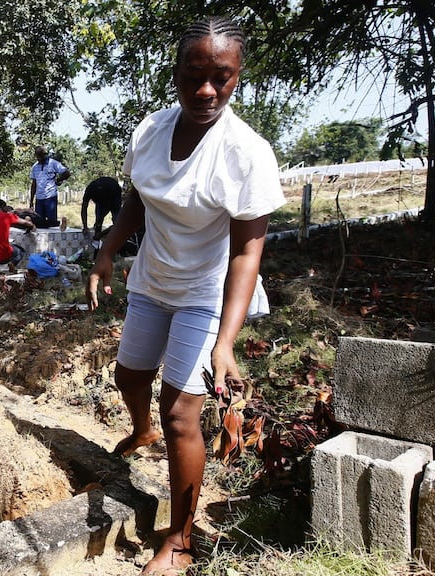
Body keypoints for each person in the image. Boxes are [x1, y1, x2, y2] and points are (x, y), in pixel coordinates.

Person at [85, 16, 285, 575]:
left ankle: (180, 538)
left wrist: (226, 341)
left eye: (221, 77)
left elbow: (248, 254)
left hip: (205, 293)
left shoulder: (246, 153)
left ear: (237, 76)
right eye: (194, 75)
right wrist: (107, 252)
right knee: (129, 377)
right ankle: (139, 429)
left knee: (181, 415)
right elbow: (137, 200)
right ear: (174, 74)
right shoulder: (150, 130)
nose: (206, 90)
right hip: (152, 279)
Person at [0, 198, 35, 274]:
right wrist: (31, 226)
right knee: (20, 251)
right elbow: (27, 223)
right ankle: (12, 264)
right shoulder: (7, 216)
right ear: (1, 208)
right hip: (2, 256)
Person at [28, 145, 71, 224]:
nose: (40, 158)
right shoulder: (35, 167)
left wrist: (59, 180)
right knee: (39, 223)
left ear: (45, 155)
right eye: (38, 156)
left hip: (50, 197)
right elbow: (34, 184)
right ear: (36, 156)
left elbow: (67, 173)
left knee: (52, 223)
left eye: (42, 156)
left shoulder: (53, 163)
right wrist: (31, 200)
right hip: (39, 198)